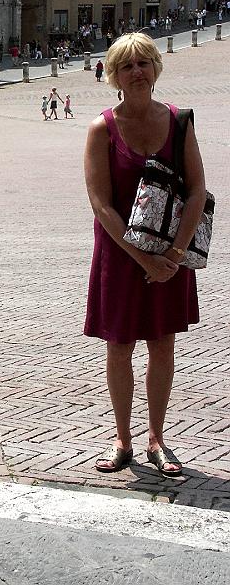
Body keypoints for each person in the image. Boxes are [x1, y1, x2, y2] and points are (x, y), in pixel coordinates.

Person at [84, 32, 206, 477]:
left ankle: (156, 436)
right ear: (113, 75)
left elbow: (197, 191)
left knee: (162, 343)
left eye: (144, 63)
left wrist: (172, 254)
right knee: (119, 346)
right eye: (126, 66)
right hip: (120, 255)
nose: (137, 72)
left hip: (168, 255)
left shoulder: (179, 121)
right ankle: (122, 439)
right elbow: (100, 204)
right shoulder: (102, 128)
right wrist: (143, 259)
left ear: (156, 68)